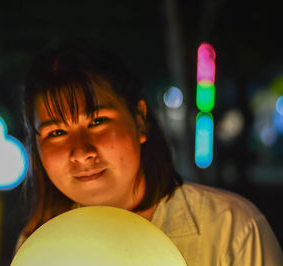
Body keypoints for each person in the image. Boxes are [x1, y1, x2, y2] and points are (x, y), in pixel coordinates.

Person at [15, 39, 283, 265]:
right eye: (57, 133)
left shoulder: (230, 229)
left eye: (97, 122)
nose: (81, 152)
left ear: (139, 120)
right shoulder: (40, 246)